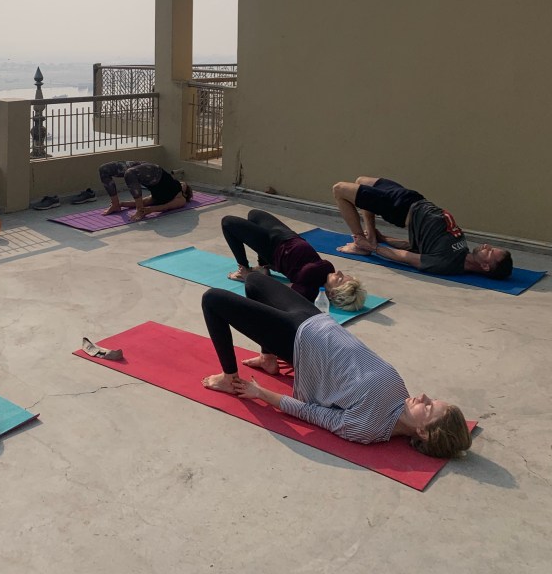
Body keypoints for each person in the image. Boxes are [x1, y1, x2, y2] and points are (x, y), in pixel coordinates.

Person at [200, 273, 471, 459]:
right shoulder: (401, 394)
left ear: (423, 432)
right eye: (431, 399)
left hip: (299, 342)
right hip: (319, 321)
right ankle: (268, 358)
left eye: (428, 407)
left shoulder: (369, 428)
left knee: (212, 299)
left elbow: (312, 414)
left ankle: (228, 377)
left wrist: (260, 393)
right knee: (255, 281)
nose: (424, 396)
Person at [332, 176, 513, 279]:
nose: (487, 246)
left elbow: (407, 257)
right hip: (413, 199)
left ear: (485, 266)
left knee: (339, 189)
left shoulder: (445, 264)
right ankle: (370, 234)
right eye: (491, 247)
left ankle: (359, 242)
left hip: (399, 209)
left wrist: (373, 248)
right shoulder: (463, 251)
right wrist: (382, 238)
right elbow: (412, 246)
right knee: (362, 180)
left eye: (490, 252)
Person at [221, 209, 367, 311]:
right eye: (343, 275)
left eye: (340, 279)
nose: (339, 272)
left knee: (227, 223)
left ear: (333, 293)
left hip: (273, 248)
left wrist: (250, 278)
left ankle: (243, 270)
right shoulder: (328, 274)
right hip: (288, 236)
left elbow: (277, 288)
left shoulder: (309, 290)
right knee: (254, 215)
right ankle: (263, 266)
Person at [99, 160, 193, 221]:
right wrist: (122, 204)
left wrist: (149, 210)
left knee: (129, 174)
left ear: (186, 193)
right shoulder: (173, 187)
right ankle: (115, 204)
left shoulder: (180, 198)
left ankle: (133, 209)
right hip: (153, 170)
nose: (182, 184)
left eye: (185, 186)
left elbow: (165, 206)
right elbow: (142, 202)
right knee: (104, 169)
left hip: (147, 173)